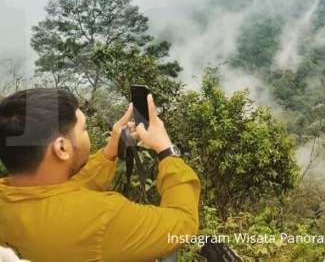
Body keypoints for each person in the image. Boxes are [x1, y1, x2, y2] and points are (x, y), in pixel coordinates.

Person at [0, 88, 200, 261]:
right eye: (83, 129)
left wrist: (109, 152)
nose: (86, 134)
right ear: (61, 148)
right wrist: (167, 150)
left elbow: (60, 194)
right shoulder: (102, 217)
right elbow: (182, 225)